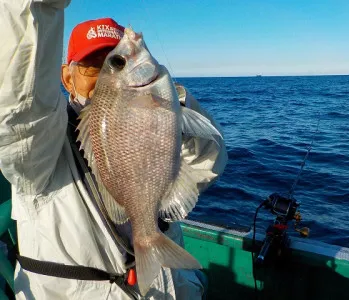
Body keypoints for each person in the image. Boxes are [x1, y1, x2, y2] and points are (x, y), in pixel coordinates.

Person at [0, 1, 227, 299]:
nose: (109, 75)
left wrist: (172, 101)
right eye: (98, 66)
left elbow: (207, 162)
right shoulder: (38, 147)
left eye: (114, 57)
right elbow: (20, 107)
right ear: (67, 78)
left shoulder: (161, 105)